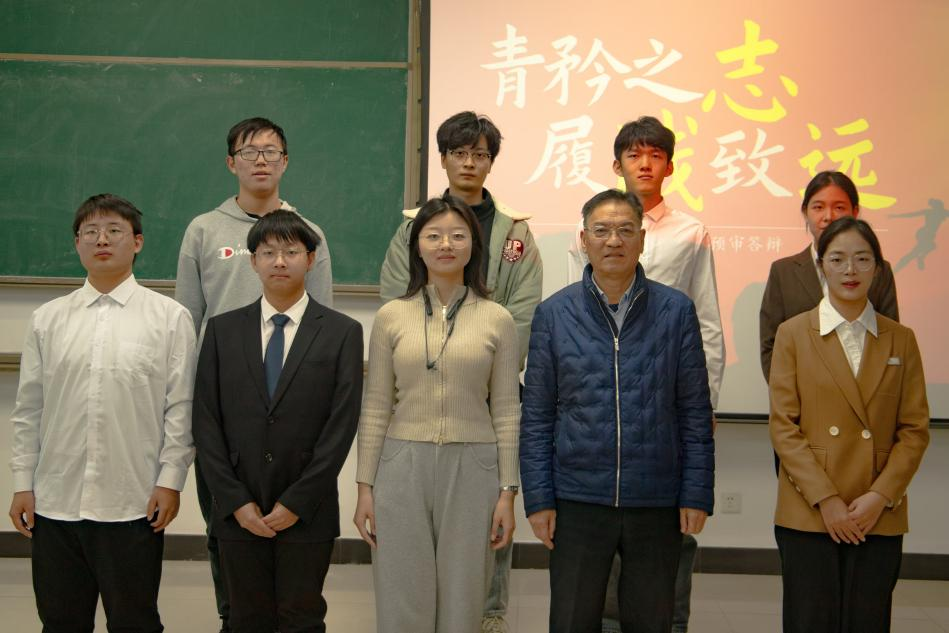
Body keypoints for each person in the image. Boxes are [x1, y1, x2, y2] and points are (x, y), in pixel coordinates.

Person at [521, 189, 714, 633]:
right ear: (583, 240)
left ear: (642, 239)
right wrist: (539, 499)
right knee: (572, 619)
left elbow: (694, 412)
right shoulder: (554, 314)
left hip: (656, 497)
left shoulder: (676, 312)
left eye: (626, 230)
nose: (613, 240)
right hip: (577, 497)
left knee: (651, 620)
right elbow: (537, 417)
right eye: (602, 230)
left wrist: (696, 492)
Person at [378, 110, 542, 633]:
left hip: (487, 390)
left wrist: (483, 360)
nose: (469, 162)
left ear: (491, 162)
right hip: (421, 398)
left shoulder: (516, 232)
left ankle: (487, 616)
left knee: (486, 526)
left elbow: (524, 311)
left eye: (480, 154)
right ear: (444, 158)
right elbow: (396, 300)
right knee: (414, 547)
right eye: (459, 153)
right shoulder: (412, 227)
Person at [8, 193, 196, 632]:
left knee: (135, 622)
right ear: (77, 243)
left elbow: (181, 407)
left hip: (132, 501)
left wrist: (170, 481)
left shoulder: (170, 318)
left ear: (137, 241)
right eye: (90, 232)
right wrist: (22, 484)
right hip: (56, 500)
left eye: (114, 230)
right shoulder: (47, 319)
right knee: (60, 621)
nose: (102, 240)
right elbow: (29, 408)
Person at [175, 116, 333, 631]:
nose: (260, 160)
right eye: (249, 151)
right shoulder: (203, 230)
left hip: (291, 412)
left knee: (294, 536)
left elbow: (323, 327)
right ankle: (233, 618)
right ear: (231, 163)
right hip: (225, 411)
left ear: (285, 161)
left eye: (271, 151)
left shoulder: (309, 233)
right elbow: (186, 324)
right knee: (226, 528)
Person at [567, 115, 723, 633]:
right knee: (600, 550)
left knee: (665, 541)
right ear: (617, 165)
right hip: (602, 408)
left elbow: (707, 323)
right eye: (634, 155)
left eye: (655, 155)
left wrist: (706, 404)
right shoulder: (590, 226)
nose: (645, 164)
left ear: (670, 166)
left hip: (665, 404)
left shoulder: (691, 232)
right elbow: (574, 318)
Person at [355, 195, 521, 633]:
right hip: (401, 466)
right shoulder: (391, 317)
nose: (445, 244)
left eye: (457, 235)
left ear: (473, 246)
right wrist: (365, 487)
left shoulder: (498, 319)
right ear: (417, 246)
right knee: (401, 597)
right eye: (433, 236)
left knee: (463, 600)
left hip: (474, 468)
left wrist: (507, 492)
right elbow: (375, 406)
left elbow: (507, 411)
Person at [192, 210, 362, 633]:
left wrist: (298, 502)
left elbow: (340, 427)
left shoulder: (342, 332)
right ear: (253, 262)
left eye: (291, 251)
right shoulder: (221, 331)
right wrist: (233, 501)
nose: (280, 261)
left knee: (301, 617)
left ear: (311, 258)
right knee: (243, 618)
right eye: (268, 253)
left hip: (308, 510)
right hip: (238, 509)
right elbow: (206, 421)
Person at [769, 216, 929, 633]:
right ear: (821, 266)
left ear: (878, 268)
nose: (850, 270)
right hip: (809, 511)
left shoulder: (901, 339)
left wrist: (880, 496)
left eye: (862, 259)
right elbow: (784, 426)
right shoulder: (792, 333)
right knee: (809, 621)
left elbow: (914, 430)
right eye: (837, 259)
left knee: (868, 621)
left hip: (877, 511)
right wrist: (827, 500)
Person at [760, 170, 899, 383]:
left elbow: (890, 338)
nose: (828, 216)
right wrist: (789, 394)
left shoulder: (877, 269)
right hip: (804, 396)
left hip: (867, 392)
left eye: (839, 207)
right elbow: (771, 346)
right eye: (818, 207)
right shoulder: (783, 271)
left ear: (855, 212)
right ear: (805, 212)